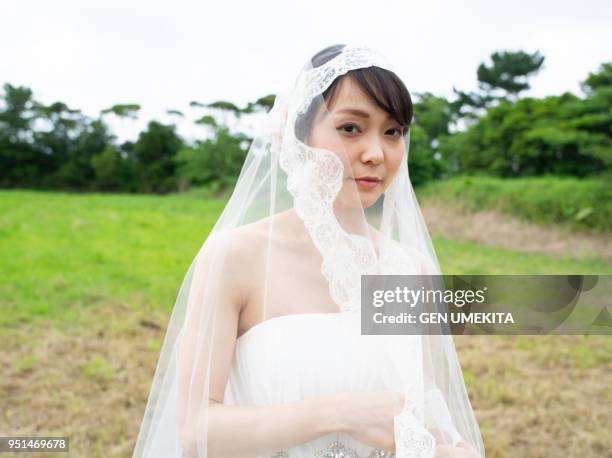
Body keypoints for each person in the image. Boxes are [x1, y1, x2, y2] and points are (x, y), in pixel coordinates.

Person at [132, 43, 485, 458]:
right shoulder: (236, 258)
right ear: (298, 135)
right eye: (351, 128)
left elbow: (427, 422)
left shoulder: (413, 269)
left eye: (392, 132)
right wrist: (341, 414)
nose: (375, 154)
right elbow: (196, 430)